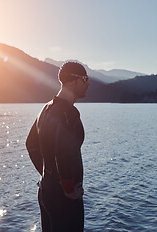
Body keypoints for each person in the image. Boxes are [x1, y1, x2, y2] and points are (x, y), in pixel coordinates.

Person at [26, 61, 90, 232]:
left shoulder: (45, 109)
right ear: (72, 81)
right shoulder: (69, 112)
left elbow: (30, 144)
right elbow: (63, 153)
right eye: (85, 79)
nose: (88, 83)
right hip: (64, 197)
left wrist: (47, 175)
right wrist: (68, 189)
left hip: (46, 191)